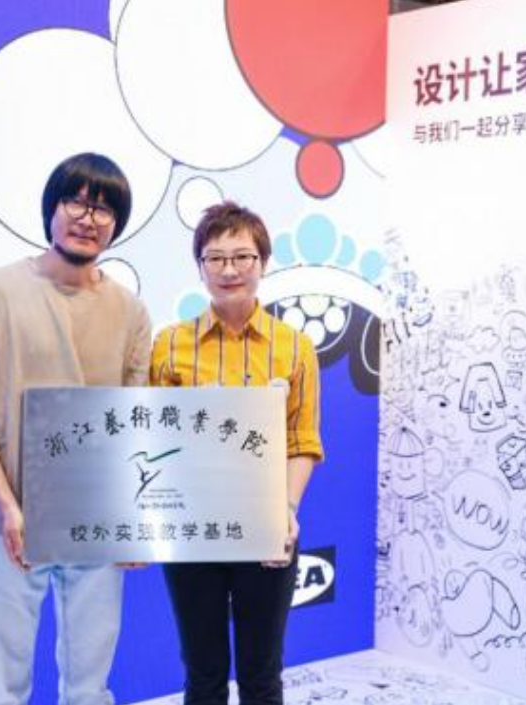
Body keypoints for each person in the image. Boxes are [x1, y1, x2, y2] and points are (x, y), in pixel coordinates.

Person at [0, 153, 152, 705]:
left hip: (96, 520)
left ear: (117, 223)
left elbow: (133, 422)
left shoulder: (130, 311)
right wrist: (8, 507)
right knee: (4, 684)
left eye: (103, 209)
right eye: (75, 202)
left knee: (89, 684)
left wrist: (133, 520)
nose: (87, 218)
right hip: (12, 519)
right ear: (51, 208)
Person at [149, 201, 324, 705]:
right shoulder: (169, 346)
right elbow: (155, 442)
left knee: (262, 674)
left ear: (263, 262)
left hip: (265, 529)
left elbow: (302, 441)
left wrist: (284, 510)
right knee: (202, 675)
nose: (229, 270)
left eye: (242, 256)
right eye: (215, 258)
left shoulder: (295, 348)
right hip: (192, 531)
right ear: (200, 267)